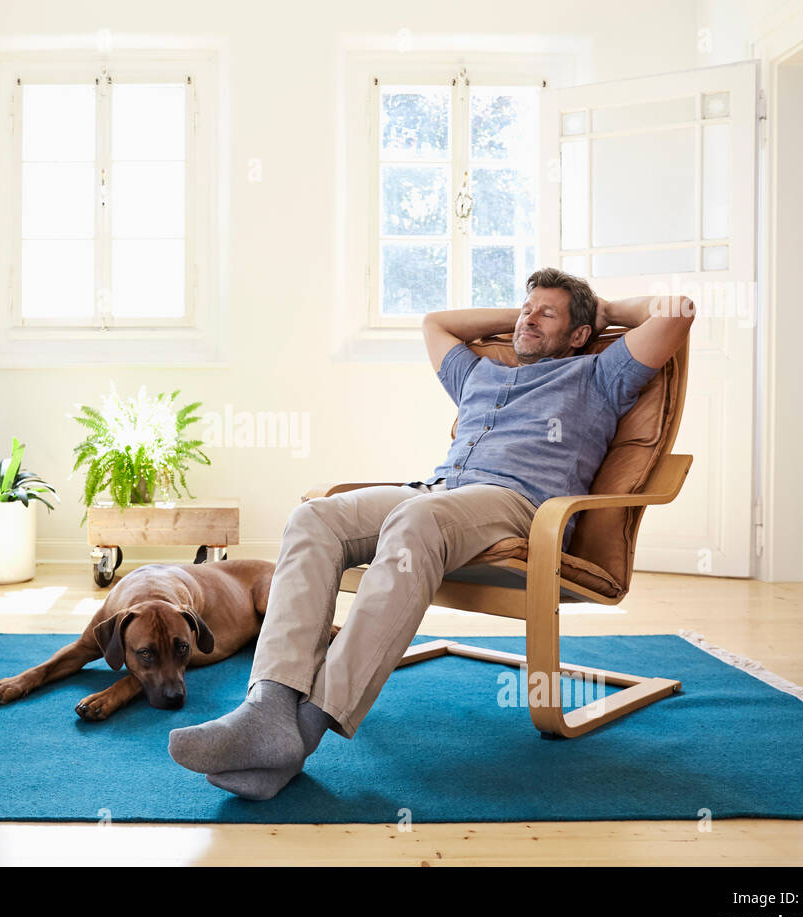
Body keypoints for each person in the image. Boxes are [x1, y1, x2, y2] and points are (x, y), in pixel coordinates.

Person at [167, 267, 695, 800]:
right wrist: (527, 315)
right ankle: (269, 708)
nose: (528, 319)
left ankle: (307, 726)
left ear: (580, 334)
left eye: (547, 313)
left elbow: (678, 313)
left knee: (416, 520)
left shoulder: (600, 375)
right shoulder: (479, 372)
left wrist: (604, 311)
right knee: (314, 517)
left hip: (517, 506)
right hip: (434, 492)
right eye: (525, 308)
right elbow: (436, 323)